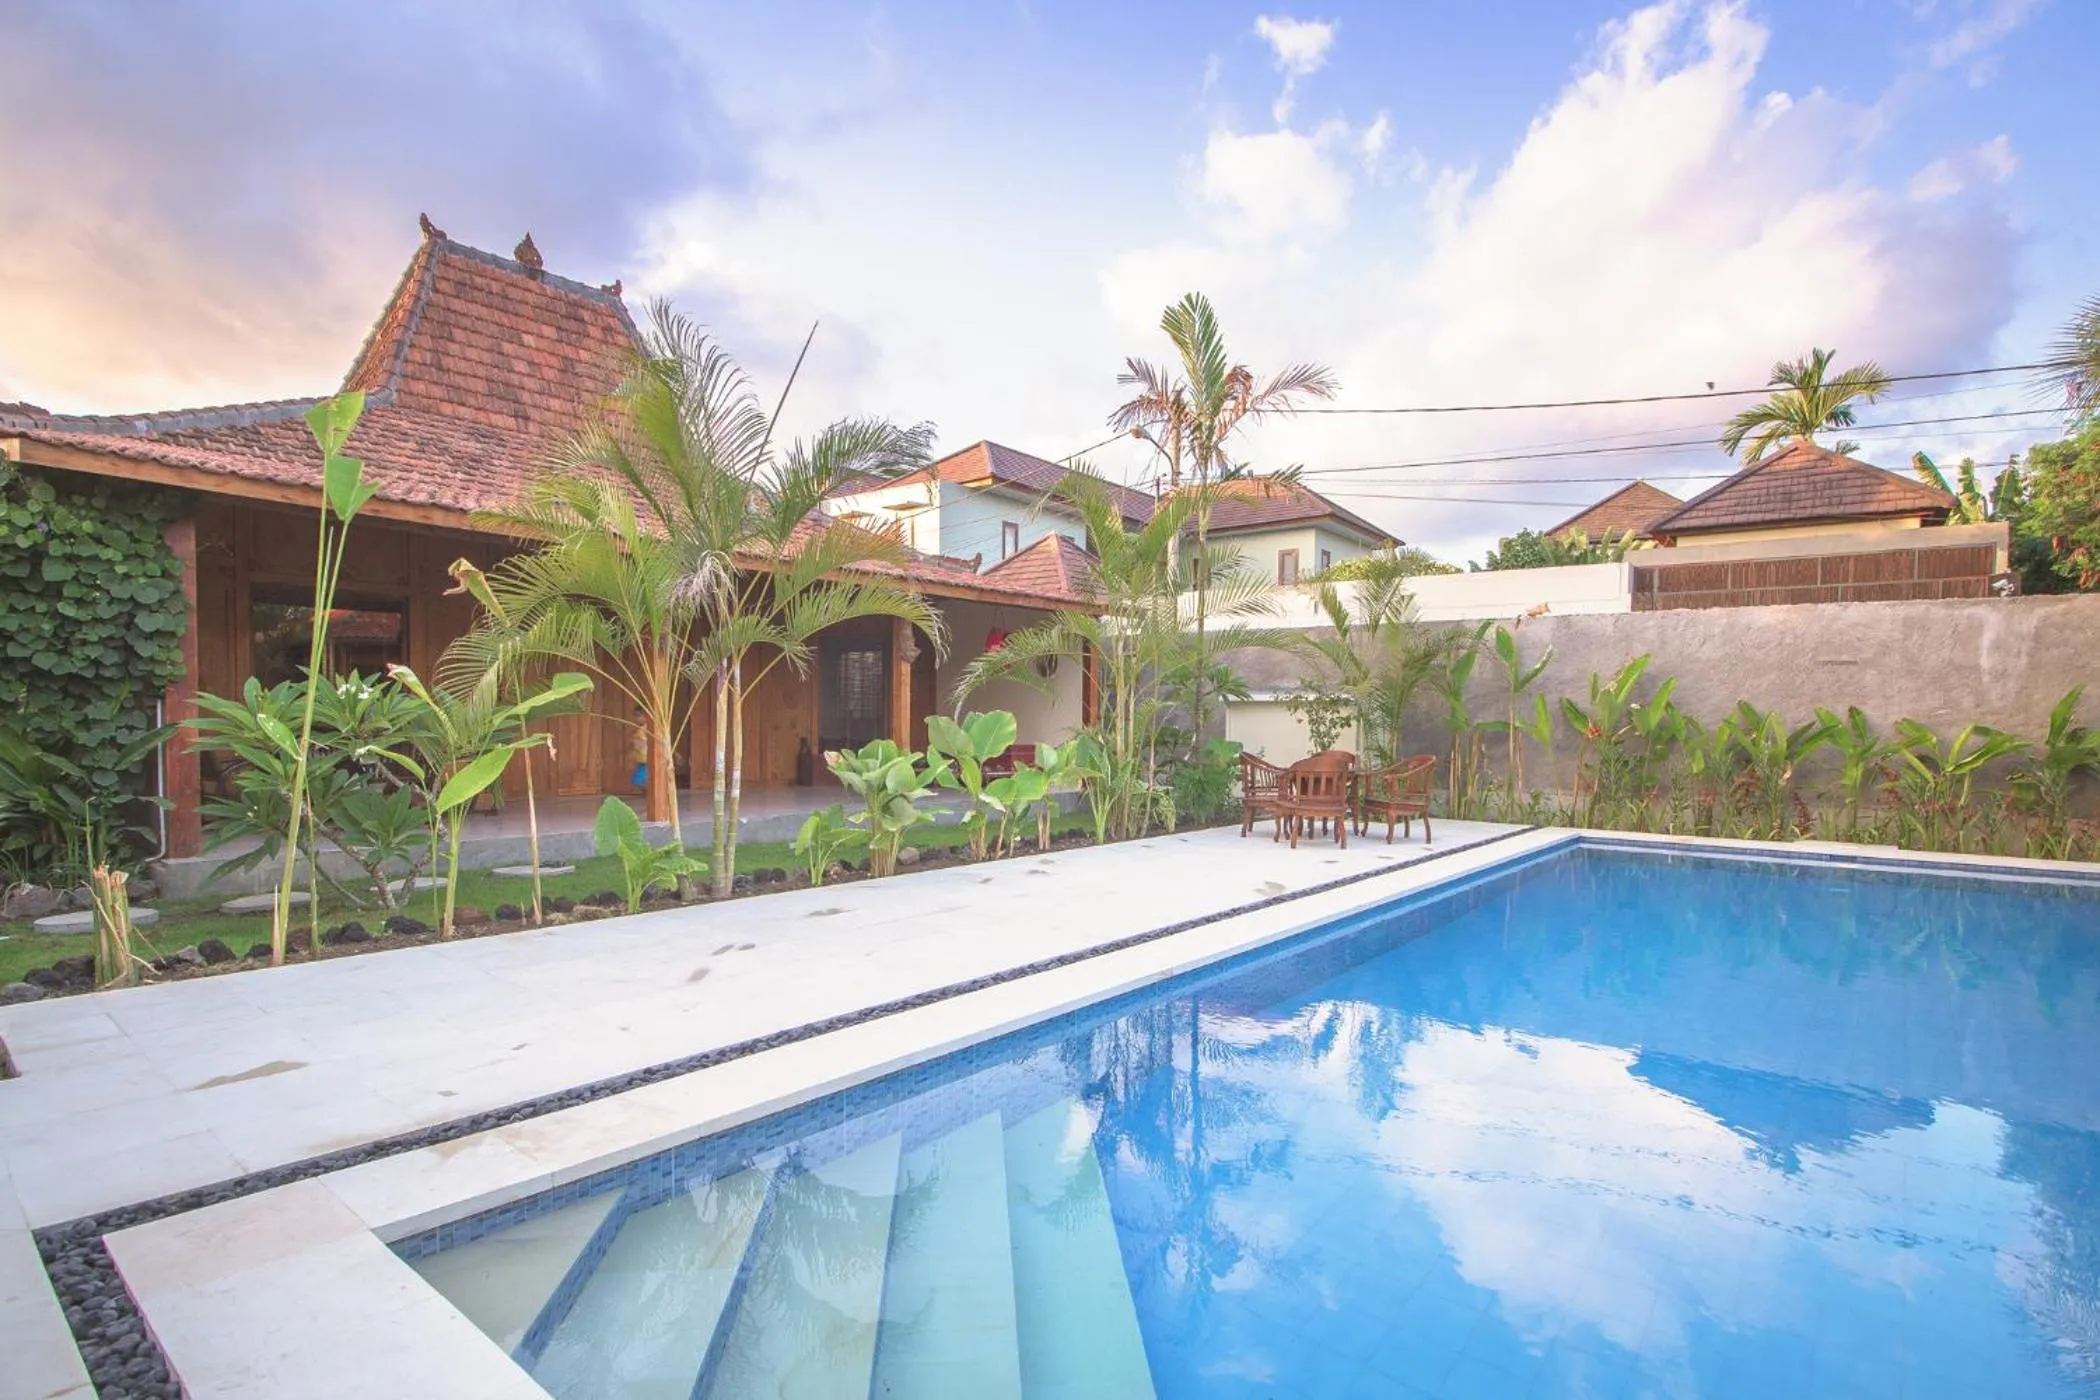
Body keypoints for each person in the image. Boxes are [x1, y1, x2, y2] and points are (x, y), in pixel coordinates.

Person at [629, 710, 649, 793]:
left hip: (646, 758)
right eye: (636, 716)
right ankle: (647, 792)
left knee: (638, 779)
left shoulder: (647, 728)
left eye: (639, 716)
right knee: (637, 779)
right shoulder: (640, 729)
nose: (637, 718)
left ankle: (649, 793)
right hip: (641, 758)